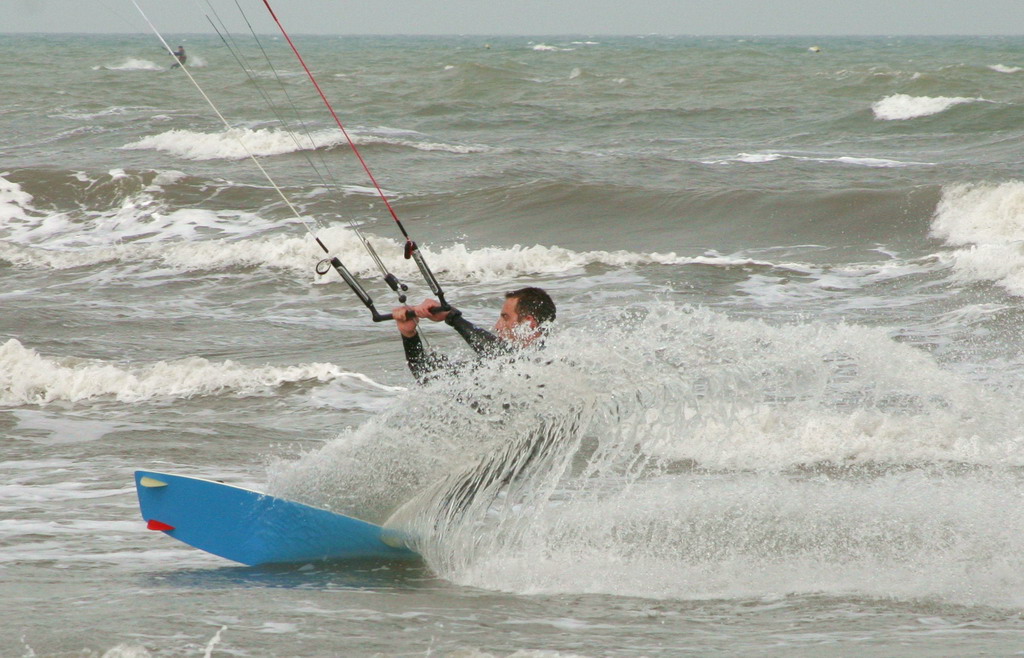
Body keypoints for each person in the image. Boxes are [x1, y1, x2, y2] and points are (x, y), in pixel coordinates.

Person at [393, 286, 555, 383]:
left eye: (505, 317)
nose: (497, 326)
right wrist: (409, 335)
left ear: (529, 323)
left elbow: (501, 355)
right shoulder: (492, 369)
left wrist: (451, 317)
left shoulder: (549, 363)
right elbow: (428, 377)